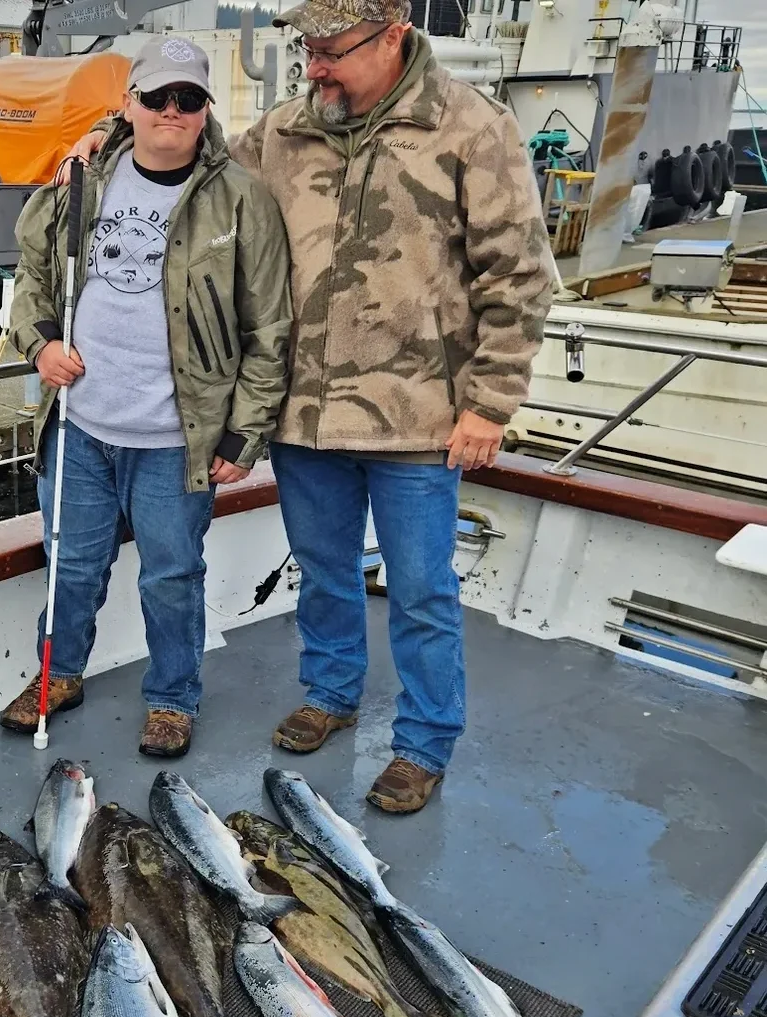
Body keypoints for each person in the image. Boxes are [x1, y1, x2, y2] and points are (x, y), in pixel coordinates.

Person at [68, 1, 555, 809]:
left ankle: (423, 744)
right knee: (323, 573)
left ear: (393, 36)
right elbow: (190, 156)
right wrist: (108, 141)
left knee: (422, 592)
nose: (315, 66)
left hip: (419, 418)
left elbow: (519, 279)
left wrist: (490, 406)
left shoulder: (475, 127)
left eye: (331, 50)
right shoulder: (284, 131)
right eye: (308, 49)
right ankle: (330, 695)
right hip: (306, 415)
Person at [0, 34, 292, 758]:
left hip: (174, 440)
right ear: (128, 105)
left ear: (204, 111)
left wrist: (242, 437)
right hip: (80, 427)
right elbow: (31, 270)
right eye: (156, 96)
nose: (171, 110)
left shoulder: (242, 201)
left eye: (187, 98)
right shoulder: (84, 177)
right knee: (69, 560)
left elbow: (270, 327)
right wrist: (39, 343)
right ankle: (57, 673)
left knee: (171, 575)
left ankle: (172, 697)